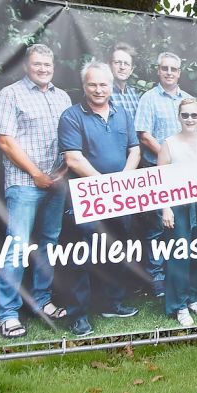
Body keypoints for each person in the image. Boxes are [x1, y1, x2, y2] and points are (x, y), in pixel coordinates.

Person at [0, 43, 71, 339]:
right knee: (18, 246)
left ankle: (42, 302)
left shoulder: (63, 97)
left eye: (47, 65)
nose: (43, 69)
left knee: (49, 243)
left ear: (53, 67)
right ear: (26, 66)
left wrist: (58, 175)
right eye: (37, 65)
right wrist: (36, 174)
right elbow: (5, 141)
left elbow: (69, 141)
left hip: (56, 182)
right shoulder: (10, 94)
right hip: (24, 183)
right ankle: (8, 313)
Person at [57, 61, 140, 336]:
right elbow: (73, 158)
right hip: (87, 197)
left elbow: (135, 151)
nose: (98, 89)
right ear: (84, 87)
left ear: (110, 86)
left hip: (119, 197)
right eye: (92, 84)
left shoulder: (123, 114)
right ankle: (78, 315)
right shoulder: (71, 116)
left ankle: (113, 303)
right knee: (82, 256)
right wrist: (105, 184)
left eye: (103, 84)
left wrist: (122, 180)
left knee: (116, 251)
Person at [134, 51, 193, 297]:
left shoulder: (189, 100)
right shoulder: (148, 98)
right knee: (157, 227)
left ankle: (182, 274)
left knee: (184, 225)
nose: (169, 72)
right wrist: (168, 157)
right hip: (157, 170)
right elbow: (144, 135)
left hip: (186, 173)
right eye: (165, 68)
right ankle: (157, 278)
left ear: (179, 72)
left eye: (174, 69)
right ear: (158, 71)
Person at [159, 98, 197, 327]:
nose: (190, 119)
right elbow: (160, 179)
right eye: (185, 115)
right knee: (179, 256)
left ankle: (194, 298)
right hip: (177, 206)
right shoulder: (169, 143)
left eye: (194, 115)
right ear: (179, 117)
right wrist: (166, 208)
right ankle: (179, 305)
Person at [108, 41, 141, 122]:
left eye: (126, 64)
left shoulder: (134, 94)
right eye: (117, 62)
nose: (122, 67)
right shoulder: (102, 92)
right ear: (109, 66)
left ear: (131, 70)